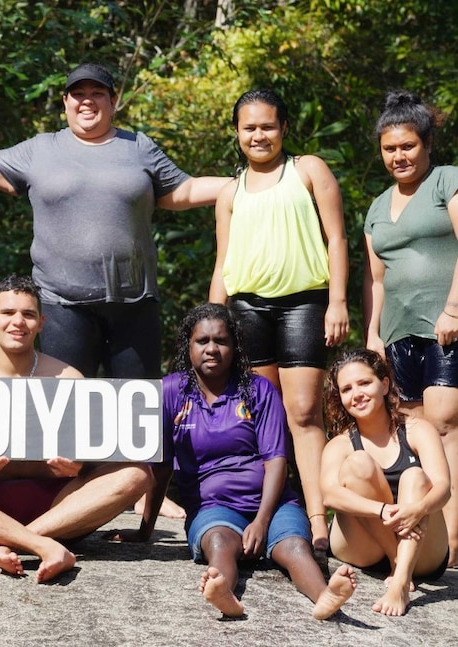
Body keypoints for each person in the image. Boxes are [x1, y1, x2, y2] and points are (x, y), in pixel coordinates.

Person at [0, 62, 225, 518]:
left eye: (97, 93)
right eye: (77, 94)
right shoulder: (40, 149)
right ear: (65, 102)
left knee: (137, 403)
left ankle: (145, 492)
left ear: (113, 101)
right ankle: (72, 494)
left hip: (134, 301)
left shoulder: (137, 147)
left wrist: (244, 185)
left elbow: (181, 191)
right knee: (66, 409)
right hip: (62, 302)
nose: (86, 100)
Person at [111, 303, 356, 620]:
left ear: (234, 346)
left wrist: (262, 521)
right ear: (189, 345)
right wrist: (146, 529)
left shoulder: (259, 389)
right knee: (219, 543)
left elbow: (276, 460)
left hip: (273, 504)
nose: (211, 349)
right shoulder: (170, 391)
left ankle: (325, 597)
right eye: (203, 341)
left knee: (295, 547)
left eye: (221, 341)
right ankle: (223, 592)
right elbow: (160, 467)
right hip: (214, 507)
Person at [0, 275, 151, 582]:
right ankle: (37, 545)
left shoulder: (68, 379)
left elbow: (96, 459)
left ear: (41, 323)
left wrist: (78, 466)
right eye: (8, 313)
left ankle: (13, 542)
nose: (18, 321)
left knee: (138, 473)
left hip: (59, 512)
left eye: (28, 314)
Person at [208, 89, 350, 551]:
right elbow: (222, 262)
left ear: (284, 128)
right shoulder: (229, 192)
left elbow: (336, 238)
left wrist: (338, 301)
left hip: (304, 304)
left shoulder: (307, 170)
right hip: (246, 309)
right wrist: (212, 321)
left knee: (305, 412)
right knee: (263, 417)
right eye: (249, 128)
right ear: (237, 133)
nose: (259, 135)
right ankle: (269, 512)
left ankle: (319, 520)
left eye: (267, 126)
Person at [361, 90, 458, 567]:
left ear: (427, 144)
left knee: (446, 425)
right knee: (417, 432)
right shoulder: (377, 207)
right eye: (389, 148)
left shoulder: (447, 181)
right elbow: (377, 279)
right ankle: (427, 543)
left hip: (447, 326)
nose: (398, 155)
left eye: (407, 146)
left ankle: (454, 544)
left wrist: (454, 310)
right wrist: (373, 334)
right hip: (397, 333)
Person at [322, 348, 450, 616]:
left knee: (415, 476)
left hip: (420, 553)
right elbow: (330, 496)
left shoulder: (417, 429)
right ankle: (396, 560)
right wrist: (381, 510)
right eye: (346, 389)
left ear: (384, 384)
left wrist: (418, 509)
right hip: (364, 548)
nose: (356, 394)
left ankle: (400, 582)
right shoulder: (340, 444)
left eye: (364, 383)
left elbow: (443, 488)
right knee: (359, 464)